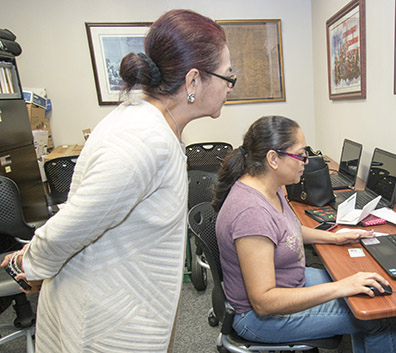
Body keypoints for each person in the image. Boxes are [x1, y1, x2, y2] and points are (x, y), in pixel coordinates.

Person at [1, 9, 235, 353]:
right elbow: (72, 223)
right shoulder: (143, 138)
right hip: (106, 325)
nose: (230, 86)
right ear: (194, 81)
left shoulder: (155, 124)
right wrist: (28, 265)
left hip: (128, 304)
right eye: (227, 76)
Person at [213, 116, 396, 353]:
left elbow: (284, 232)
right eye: (300, 155)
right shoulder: (250, 212)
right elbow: (264, 302)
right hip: (259, 317)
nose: (305, 162)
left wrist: (334, 237)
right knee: (377, 317)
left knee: (364, 289)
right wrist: (341, 287)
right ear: (273, 158)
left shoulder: (269, 187)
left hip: (288, 280)